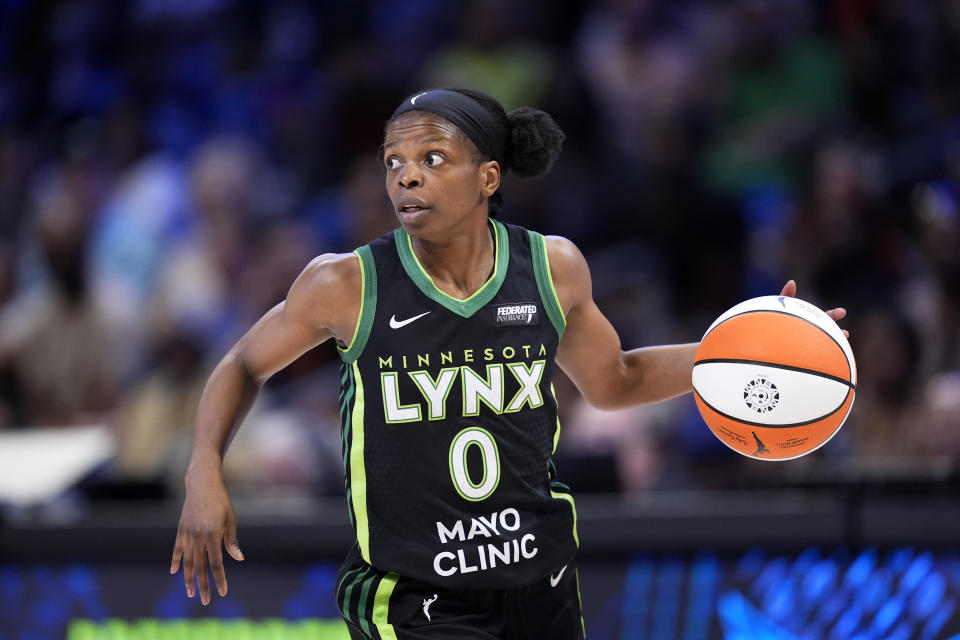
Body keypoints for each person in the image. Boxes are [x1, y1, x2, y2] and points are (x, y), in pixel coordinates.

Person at [170, 88, 847, 639]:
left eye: (433, 157)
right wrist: (205, 464)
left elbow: (616, 382)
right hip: (414, 596)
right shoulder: (345, 284)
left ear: (488, 177)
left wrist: (730, 354)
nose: (405, 173)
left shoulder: (551, 268)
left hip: (538, 579)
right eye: (393, 160)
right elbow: (242, 363)